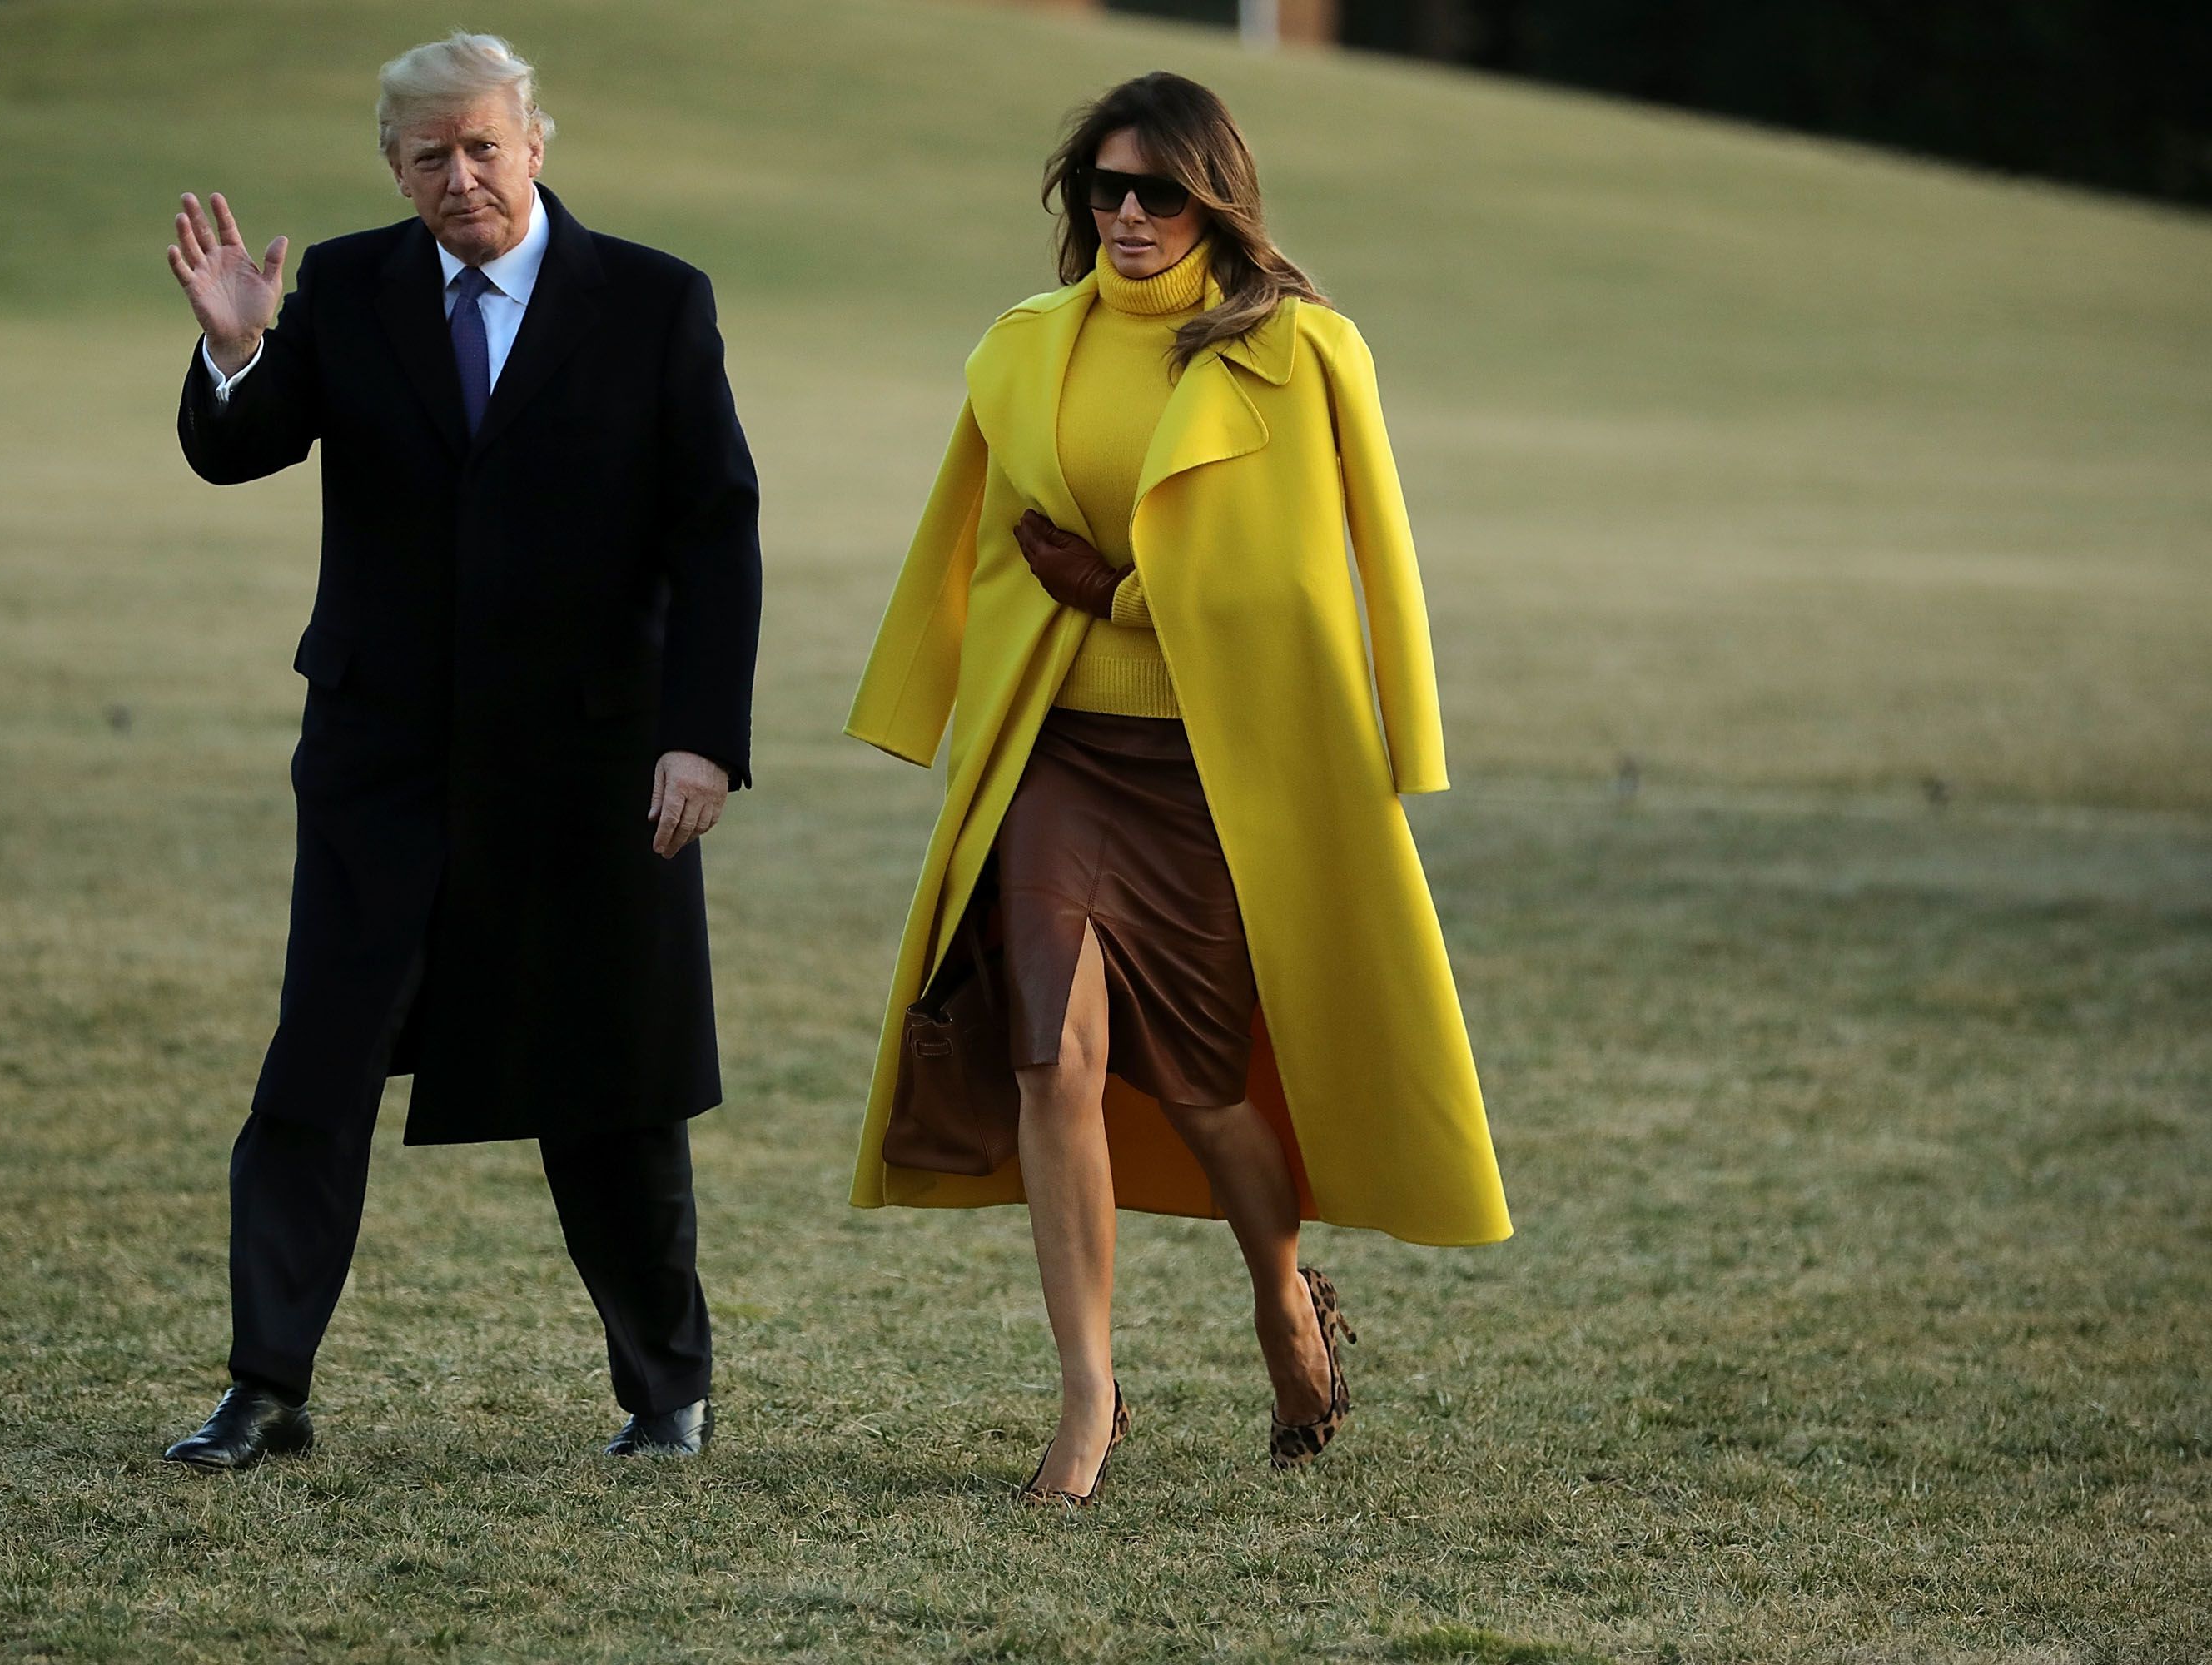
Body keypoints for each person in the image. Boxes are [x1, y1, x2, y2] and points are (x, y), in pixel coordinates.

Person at [845, 72, 1509, 1504]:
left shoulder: (1304, 350)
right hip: (1057, 751)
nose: (1129, 214)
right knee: (1050, 1056)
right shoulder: (1026, 347)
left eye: (1158, 190)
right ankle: (1087, 1399)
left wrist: (1138, 598)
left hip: (1221, 766)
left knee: (1212, 1093)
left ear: (1218, 197)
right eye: (1105, 189)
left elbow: (1329, 569)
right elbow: (962, 536)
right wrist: (913, 703)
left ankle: (1282, 1299)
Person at [159, 32, 760, 1469]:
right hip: (385, 765)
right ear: (394, 167)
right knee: (314, 1072)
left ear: (537, 141)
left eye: (484, 145)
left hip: (593, 772)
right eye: (430, 155)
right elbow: (240, 451)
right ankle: (266, 1390)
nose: (461, 176)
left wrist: (702, 740)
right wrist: (238, 349)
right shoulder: (354, 288)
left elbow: (715, 531)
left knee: (611, 1091)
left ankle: (666, 1392)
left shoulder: (657, 302)